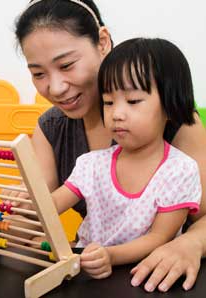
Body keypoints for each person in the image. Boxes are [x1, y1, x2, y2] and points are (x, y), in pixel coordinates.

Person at [0, 0, 206, 293]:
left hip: (155, 280)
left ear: (103, 42)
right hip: (94, 279)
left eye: (67, 65)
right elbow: (37, 215)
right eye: (38, 73)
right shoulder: (52, 129)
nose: (55, 87)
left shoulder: (176, 121)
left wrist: (191, 242)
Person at [49, 36, 201, 280]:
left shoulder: (180, 171)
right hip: (85, 274)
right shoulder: (91, 164)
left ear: (170, 106)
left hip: (143, 275)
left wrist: (110, 256)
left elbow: (159, 238)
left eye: (132, 101)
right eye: (108, 102)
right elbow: (52, 205)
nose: (117, 114)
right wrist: (26, 206)